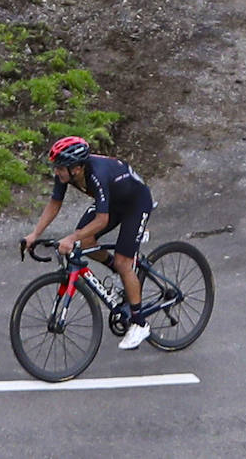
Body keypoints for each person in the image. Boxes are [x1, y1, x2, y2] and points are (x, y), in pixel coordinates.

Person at [22, 136, 157, 349]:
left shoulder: (97, 174)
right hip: (113, 201)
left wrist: (71, 237)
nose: (56, 172)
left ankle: (140, 324)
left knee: (122, 262)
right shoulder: (67, 172)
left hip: (135, 203)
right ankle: (123, 275)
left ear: (75, 168)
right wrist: (34, 234)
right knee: (85, 241)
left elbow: (102, 220)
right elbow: (55, 203)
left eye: (59, 168)